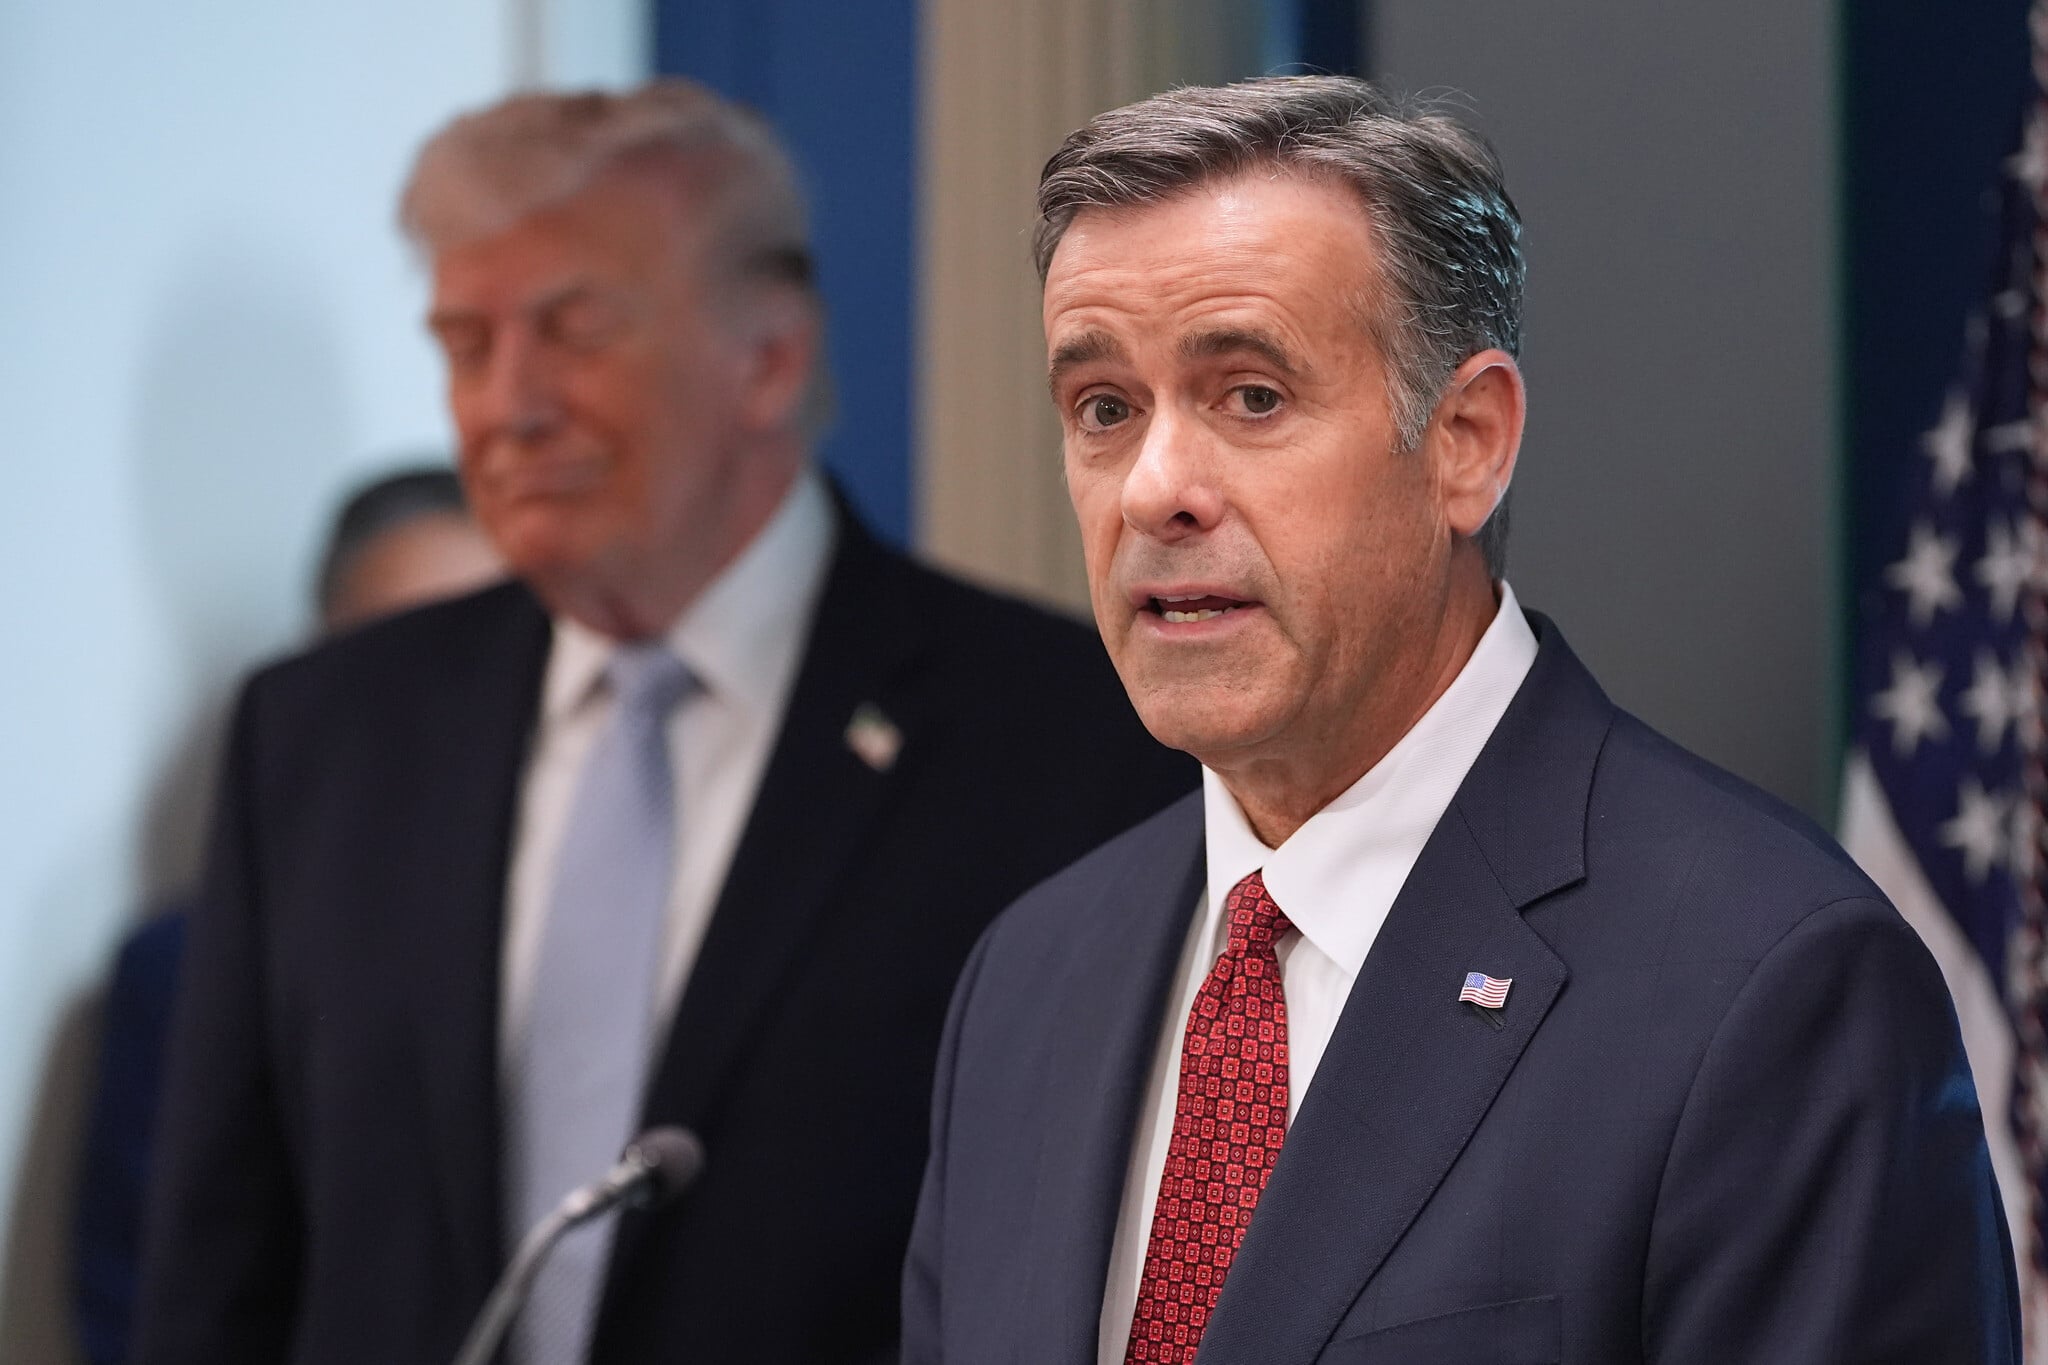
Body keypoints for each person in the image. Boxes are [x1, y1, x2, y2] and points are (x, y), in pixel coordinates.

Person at [902, 75, 2018, 1363]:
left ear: (1467, 442)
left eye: (1249, 396)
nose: (1154, 488)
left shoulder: (1768, 982)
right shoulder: (1028, 977)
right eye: (1105, 410)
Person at [130, 81, 1192, 1365]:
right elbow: (216, 1276)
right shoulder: (320, 737)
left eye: (572, 331)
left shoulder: (1069, 742)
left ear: (768, 359)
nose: (507, 405)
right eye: (466, 345)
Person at [74, 465, 499, 1365]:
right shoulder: (183, 970)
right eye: (394, 653)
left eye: (486, 654)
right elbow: (143, 1301)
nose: (445, 707)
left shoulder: (604, 931)